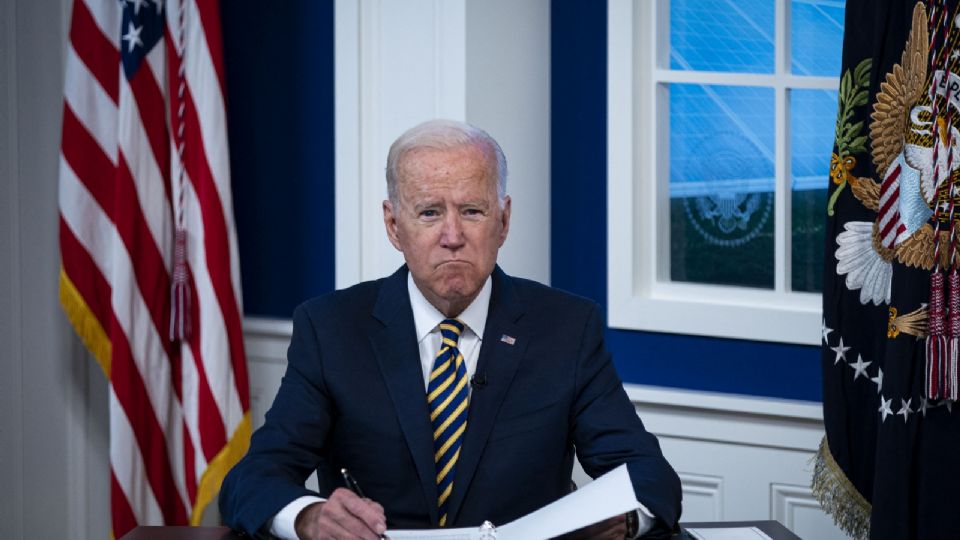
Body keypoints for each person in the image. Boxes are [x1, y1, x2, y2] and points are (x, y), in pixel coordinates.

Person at [219, 120, 682, 539]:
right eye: (429, 213)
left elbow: (648, 475)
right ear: (393, 225)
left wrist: (621, 518)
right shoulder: (331, 329)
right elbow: (253, 479)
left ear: (503, 221)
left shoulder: (566, 327)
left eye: (473, 212)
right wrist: (309, 517)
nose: (453, 235)